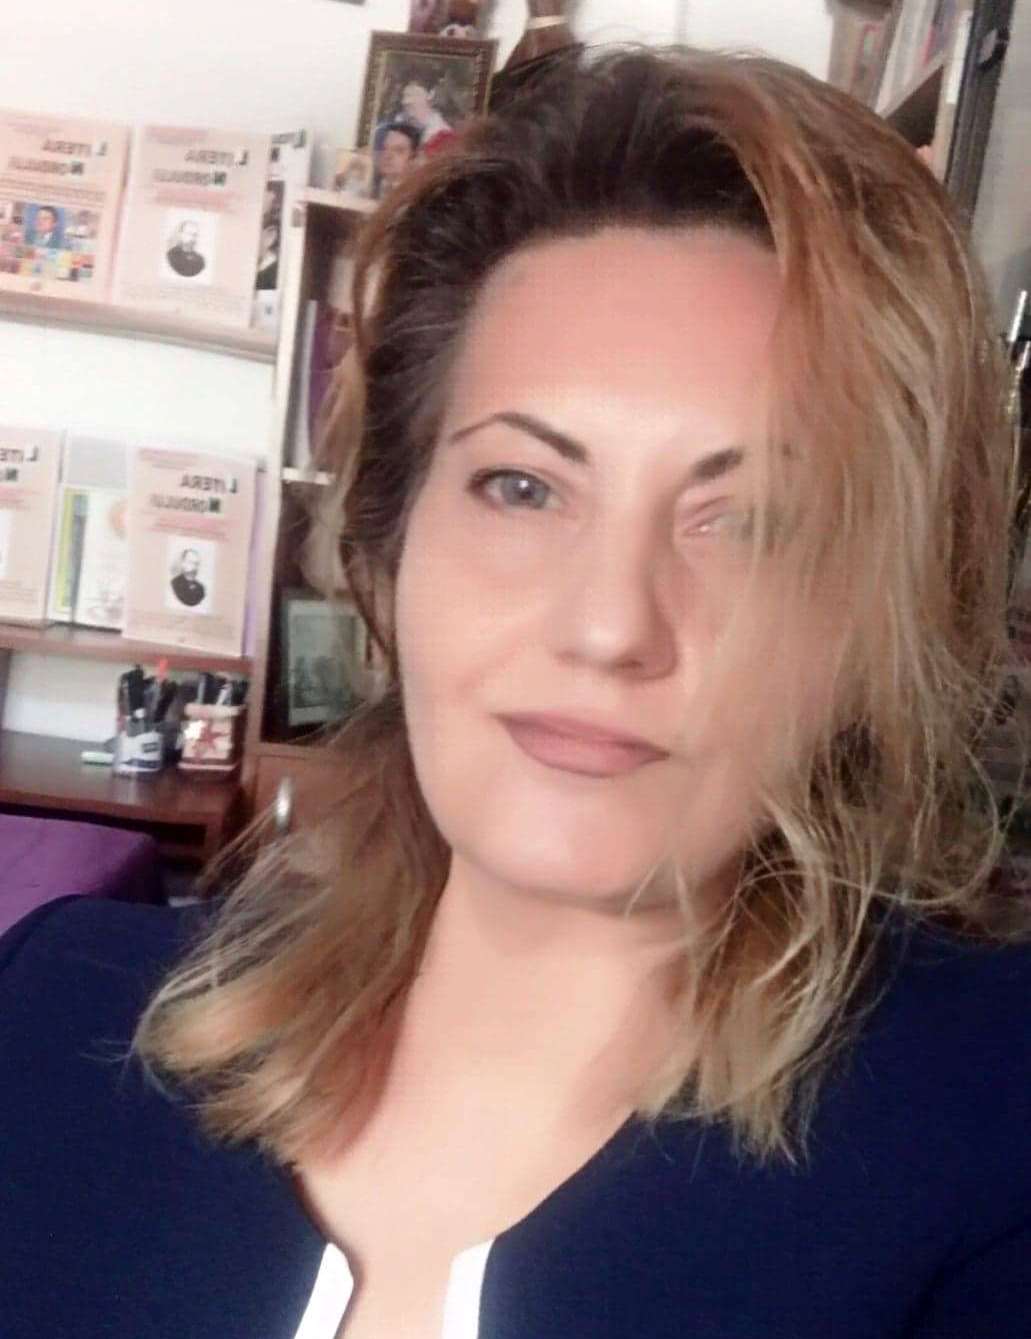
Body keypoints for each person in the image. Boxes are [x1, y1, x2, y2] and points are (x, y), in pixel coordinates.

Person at [2, 43, 1031, 1339]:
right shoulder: (56, 1018)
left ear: (870, 626)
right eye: (522, 487)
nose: (608, 626)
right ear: (387, 549)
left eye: (752, 522)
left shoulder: (987, 1138)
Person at [400, 74, 458, 155]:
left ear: (430, 94)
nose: (406, 101)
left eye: (414, 94)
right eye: (405, 96)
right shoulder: (399, 125)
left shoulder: (444, 136)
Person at [373, 120, 421, 198]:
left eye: (398, 150)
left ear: (413, 158)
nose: (388, 155)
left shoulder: (416, 197)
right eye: (385, 148)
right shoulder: (373, 188)